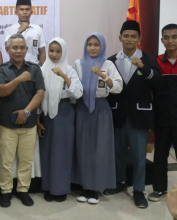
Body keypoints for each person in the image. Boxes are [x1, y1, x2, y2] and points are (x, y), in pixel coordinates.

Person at [103, 21, 161, 208]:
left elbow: (158, 83)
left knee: (138, 156)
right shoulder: (110, 61)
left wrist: (143, 67)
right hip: (117, 114)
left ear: (139, 39)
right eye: (125, 36)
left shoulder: (149, 60)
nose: (129, 39)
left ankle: (138, 190)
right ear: (120, 37)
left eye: (133, 36)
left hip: (140, 116)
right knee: (118, 153)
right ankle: (120, 182)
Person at [0, 34, 45, 208]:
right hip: (7, 125)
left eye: (22, 47)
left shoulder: (35, 68)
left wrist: (27, 112)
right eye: (14, 47)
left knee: (26, 160)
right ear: (7, 50)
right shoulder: (0, 69)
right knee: (6, 162)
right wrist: (18, 79)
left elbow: (40, 93)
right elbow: (1, 91)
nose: (19, 51)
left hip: (29, 124)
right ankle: (6, 192)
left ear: (26, 49)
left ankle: (23, 190)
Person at [72, 32, 123, 204]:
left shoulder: (108, 64)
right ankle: (84, 186)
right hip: (82, 108)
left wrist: (103, 76)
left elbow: (117, 88)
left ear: (102, 46)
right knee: (83, 147)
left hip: (101, 108)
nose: (92, 48)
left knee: (100, 148)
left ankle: (94, 188)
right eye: (89, 45)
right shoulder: (78, 64)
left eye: (96, 44)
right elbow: (74, 87)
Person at [37, 37, 83, 202]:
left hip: (63, 113)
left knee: (62, 152)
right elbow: (37, 94)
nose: (54, 54)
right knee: (48, 152)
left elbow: (78, 93)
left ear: (64, 52)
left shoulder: (69, 70)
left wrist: (63, 76)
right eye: (51, 50)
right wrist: (37, 118)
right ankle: (49, 187)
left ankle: (61, 189)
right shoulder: (42, 69)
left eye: (58, 51)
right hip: (46, 113)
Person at [149, 23, 177, 202]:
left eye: (174, 37)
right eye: (166, 37)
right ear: (161, 40)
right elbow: (151, 92)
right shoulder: (156, 62)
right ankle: (159, 189)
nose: (170, 41)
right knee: (160, 155)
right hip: (162, 119)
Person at [4, 0, 46, 65]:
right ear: (16, 12)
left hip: (34, 67)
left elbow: (42, 52)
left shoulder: (37, 29)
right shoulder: (9, 30)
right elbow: (7, 46)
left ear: (31, 12)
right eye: (21, 10)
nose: (24, 12)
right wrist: (20, 30)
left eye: (27, 9)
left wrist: (43, 70)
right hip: (15, 67)